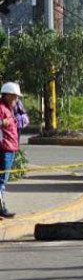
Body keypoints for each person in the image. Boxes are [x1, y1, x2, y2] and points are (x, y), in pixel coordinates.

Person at [0, 82, 22, 218]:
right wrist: (3, 123)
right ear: (7, 95)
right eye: (14, 97)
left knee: (3, 180)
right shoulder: (1, 108)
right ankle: (1, 208)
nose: (16, 100)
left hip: (10, 148)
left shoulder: (9, 109)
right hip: (4, 149)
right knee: (1, 180)